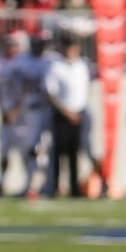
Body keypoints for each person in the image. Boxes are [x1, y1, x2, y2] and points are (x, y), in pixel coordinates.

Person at [0, 31, 51, 198]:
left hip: (32, 113)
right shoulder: (14, 63)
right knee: (5, 150)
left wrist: (16, 109)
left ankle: (30, 185)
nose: (11, 47)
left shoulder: (47, 61)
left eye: (14, 43)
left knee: (31, 150)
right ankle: (1, 183)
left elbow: (27, 90)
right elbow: (1, 87)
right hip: (12, 112)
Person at [42, 30, 93, 199]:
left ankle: (74, 187)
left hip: (80, 113)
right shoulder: (56, 67)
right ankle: (55, 186)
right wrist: (67, 112)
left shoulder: (82, 65)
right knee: (58, 153)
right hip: (62, 115)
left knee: (75, 152)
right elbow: (51, 93)